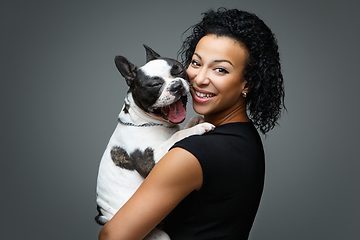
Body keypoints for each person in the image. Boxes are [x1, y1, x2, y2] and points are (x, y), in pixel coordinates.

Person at [99, 8, 285, 240]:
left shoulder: (192, 153)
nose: (200, 79)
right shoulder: (244, 138)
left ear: (247, 84)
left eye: (220, 69)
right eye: (196, 63)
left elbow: (112, 236)